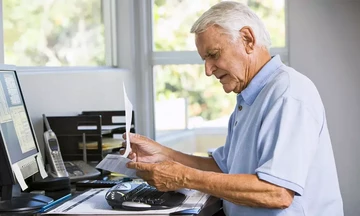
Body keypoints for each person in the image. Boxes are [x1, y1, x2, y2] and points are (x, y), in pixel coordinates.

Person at [124, 1, 344, 216]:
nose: (208, 71)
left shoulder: (288, 93)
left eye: (214, 54)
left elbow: (277, 192)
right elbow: (224, 169)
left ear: (248, 39)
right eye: (204, 59)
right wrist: (163, 153)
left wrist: (183, 177)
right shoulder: (249, 97)